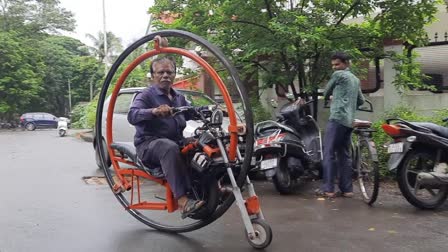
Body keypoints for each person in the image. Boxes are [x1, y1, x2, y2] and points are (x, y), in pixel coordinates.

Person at [127, 56, 204, 218]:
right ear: (153, 75)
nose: (165, 75)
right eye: (160, 72)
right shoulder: (146, 95)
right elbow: (132, 115)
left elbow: (192, 111)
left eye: (169, 72)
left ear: (175, 74)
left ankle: (211, 189)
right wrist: (153, 112)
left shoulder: (179, 97)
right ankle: (183, 201)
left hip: (176, 142)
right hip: (150, 146)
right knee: (168, 147)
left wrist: (211, 111)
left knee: (203, 143)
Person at [319, 52, 365, 198]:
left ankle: (328, 189)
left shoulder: (339, 75)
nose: (335, 67)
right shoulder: (355, 79)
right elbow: (361, 100)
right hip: (349, 121)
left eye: (337, 64)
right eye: (333, 65)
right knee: (344, 154)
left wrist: (330, 98)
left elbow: (326, 92)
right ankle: (347, 190)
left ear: (346, 63)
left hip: (337, 117)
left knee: (329, 153)